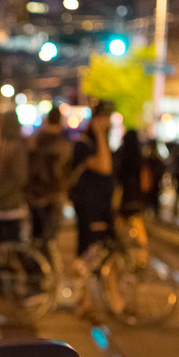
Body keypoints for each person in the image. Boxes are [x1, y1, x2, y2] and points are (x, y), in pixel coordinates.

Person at [69, 101, 115, 257]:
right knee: (87, 249)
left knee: (102, 251)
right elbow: (104, 166)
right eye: (103, 118)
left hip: (102, 206)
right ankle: (79, 278)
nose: (106, 123)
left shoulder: (105, 144)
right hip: (88, 206)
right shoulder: (83, 144)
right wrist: (100, 134)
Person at [26, 106, 72, 250]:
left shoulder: (35, 140)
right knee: (50, 235)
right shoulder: (63, 144)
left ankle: (36, 265)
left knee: (37, 233)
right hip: (54, 191)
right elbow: (64, 170)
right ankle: (46, 266)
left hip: (34, 192)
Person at [0, 110, 28, 243]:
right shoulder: (16, 147)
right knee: (12, 244)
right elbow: (21, 177)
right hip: (11, 204)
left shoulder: (2, 145)